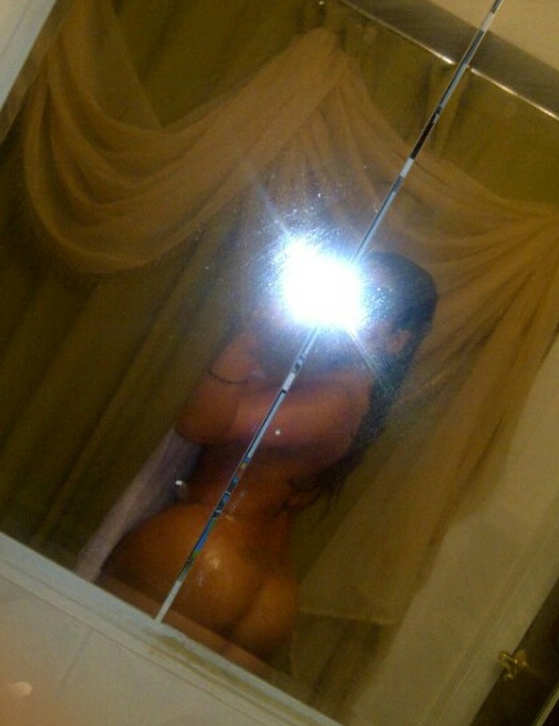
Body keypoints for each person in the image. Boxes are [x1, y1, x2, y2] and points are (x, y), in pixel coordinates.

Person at [99, 251, 437, 671]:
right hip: (267, 589)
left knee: (91, 676)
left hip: (205, 551)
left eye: (374, 299)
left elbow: (200, 423)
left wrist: (252, 334)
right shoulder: (348, 396)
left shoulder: (338, 398)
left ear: (397, 340)